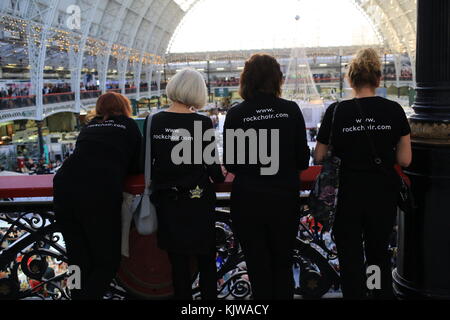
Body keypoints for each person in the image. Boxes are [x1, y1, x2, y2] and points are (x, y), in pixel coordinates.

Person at [314, 48, 412, 299]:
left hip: (347, 194)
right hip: (381, 194)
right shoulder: (394, 110)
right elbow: (404, 159)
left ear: (351, 79)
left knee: (349, 255)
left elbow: (319, 156)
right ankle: (377, 292)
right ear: (378, 79)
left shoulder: (336, 112)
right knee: (377, 253)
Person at [223, 54, 310, 299]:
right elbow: (303, 160)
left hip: (248, 199)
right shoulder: (290, 110)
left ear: (246, 80)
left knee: (257, 267)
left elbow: (232, 163)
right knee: (282, 265)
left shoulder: (236, 114)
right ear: (277, 79)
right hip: (284, 198)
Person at [53, 92, 142, 300]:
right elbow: (137, 164)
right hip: (98, 194)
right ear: (124, 106)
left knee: (77, 260)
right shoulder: (128, 126)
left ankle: (76, 295)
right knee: (108, 262)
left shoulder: (88, 127)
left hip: (64, 188)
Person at [146, 68, 224, 300]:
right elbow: (214, 171)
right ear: (198, 92)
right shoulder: (202, 122)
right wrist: (222, 173)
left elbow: (147, 162)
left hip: (167, 202)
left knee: (178, 266)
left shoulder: (154, 120)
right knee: (206, 262)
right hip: (198, 202)